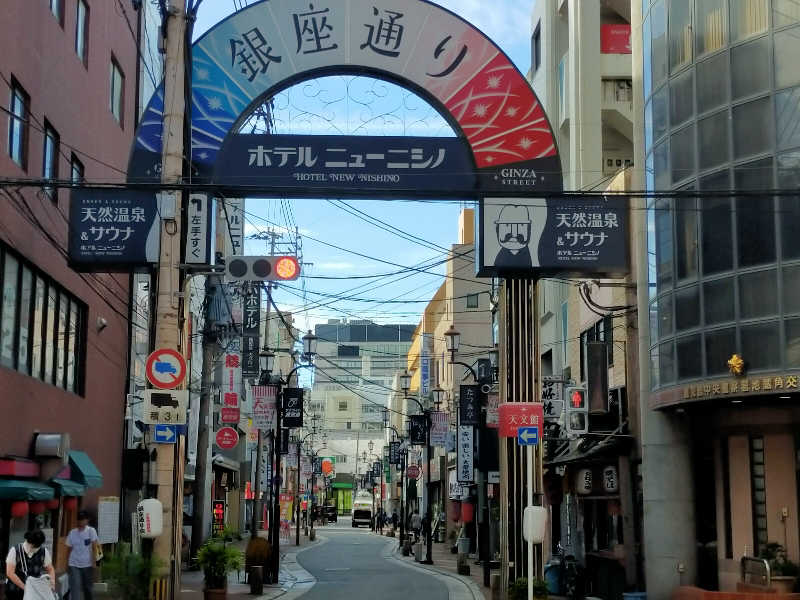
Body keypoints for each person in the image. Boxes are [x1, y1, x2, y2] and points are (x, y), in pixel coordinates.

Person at [4, 529, 56, 600]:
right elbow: (10, 573)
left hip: (34, 591)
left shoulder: (43, 551)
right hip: (15, 590)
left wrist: (52, 581)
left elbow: (50, 569)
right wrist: (26, 588)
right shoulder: (15, 550)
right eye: (31, 545)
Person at [66, 510, 100, 600]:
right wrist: (67, 564)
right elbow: (68, 550)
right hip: (74, 564)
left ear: (87, 520)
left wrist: (95, 563)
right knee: (75, 587)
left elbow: (96, 547)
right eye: (79, 519)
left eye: (83, 519)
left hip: (88, 564)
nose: (81, 521)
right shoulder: (72, 533)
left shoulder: (91, 531)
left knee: (88, 588)